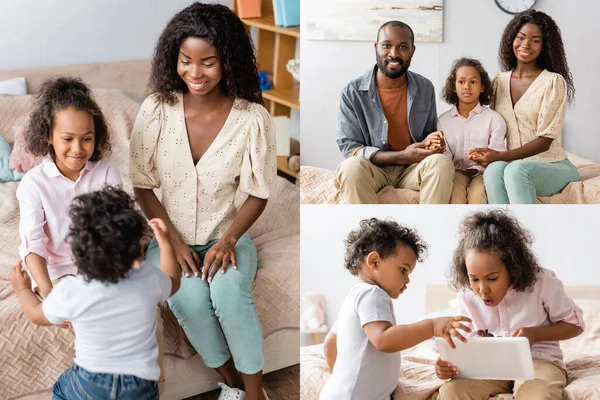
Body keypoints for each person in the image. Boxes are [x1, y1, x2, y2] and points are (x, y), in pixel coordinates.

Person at [129, 3, 275, 399]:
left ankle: (257, 393)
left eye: (207, 62)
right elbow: (142, 185)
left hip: (226, 235)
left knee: (228, 293)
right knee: (187, 298)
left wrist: (228, 240)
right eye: (186, 61)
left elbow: (259, 193)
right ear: (173, 58)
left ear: (227, 60)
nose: (195, 73)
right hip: (167, 239)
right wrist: (172, 242)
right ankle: (232, 385)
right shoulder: (156, 110)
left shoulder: (252, 118)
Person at [9, 187, 180, 399]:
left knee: (62, 390)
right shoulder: (148, 277)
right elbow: (173, 282)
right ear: (138, 249)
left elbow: (36, 313)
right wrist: (165, 243)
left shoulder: (72, 290)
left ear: (77, 255)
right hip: (141, 384)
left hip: (92, 381)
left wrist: (22, 288)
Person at [436, 209, 584, 400]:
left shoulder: (542, 282)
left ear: (513, 269)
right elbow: (464, 342)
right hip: (488, 367)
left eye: (492, 278)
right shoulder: (466, 295)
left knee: (536, 395)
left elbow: (576, 325)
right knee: (452, 391)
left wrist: (534, 334)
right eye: (474, 279)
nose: (482, 289)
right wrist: (446, 365)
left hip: (539, 362)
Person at [321, 218, 471, 400]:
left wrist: (345, 379)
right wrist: (431, 326)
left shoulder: (354, 296)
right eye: (403, 270)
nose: (407, 280)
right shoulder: (373, 294)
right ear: (374, 261)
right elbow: (383, 339)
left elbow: (330, 345)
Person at [16, 77, 121, 299]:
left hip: (99, 268)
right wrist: (47, 291)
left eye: (86, 139)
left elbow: (112, 232)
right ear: (48, 136)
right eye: (67, 138)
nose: (77, 149)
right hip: (56, 272)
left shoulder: (107, 173)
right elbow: (33, 243)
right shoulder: (33, 183)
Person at [335, 20, 454, 204]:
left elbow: (427, 135)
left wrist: (432, 144)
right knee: (350, 167)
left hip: (412, 170)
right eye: (387, 46)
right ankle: (368, 232)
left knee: (442, 162)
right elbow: (350, 148)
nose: (394, 54)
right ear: (376, 47)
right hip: (374, 169)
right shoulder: (352, 93)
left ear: (412, 51)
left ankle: (430, 228)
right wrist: (401, 156)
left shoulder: (425, 88)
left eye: (403, 47)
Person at [469, 10, 581, 203]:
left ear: (545, 46)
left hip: (552, 164)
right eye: (520, 37)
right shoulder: (498, 81)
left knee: (515, 170)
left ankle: (530, 232)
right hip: (513, 163)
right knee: (495, 169)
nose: (526, 44)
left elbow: (545, 140)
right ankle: (502, 231)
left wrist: (502, 155)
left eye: (535, 40)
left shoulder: (553, 82)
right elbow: (485, 119)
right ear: (511, 39)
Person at [438, 58, 506, 204]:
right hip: (456, 173)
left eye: (473, 82)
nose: (467, 86)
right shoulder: (443, 121)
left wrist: (482, 157)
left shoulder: (494, 119)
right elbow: (445, 156)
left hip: (482, 173)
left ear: (482, 87)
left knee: (478, 195)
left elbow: (496, 154)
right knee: (455, 196)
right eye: (461, 82)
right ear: (453, 87)